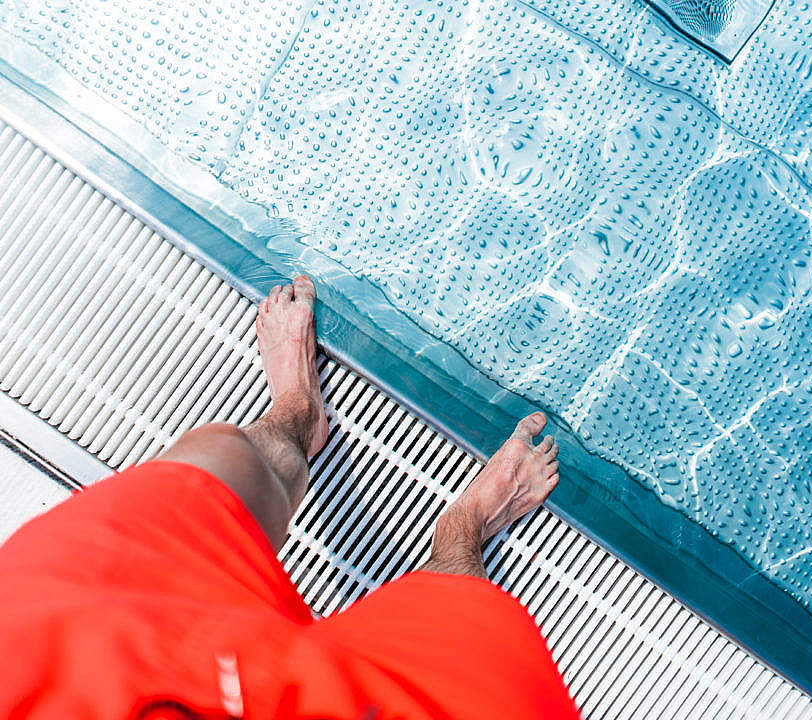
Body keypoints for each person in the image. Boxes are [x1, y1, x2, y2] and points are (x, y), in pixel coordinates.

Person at [0, 276, 579, 720]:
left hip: (65, 661)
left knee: (221, 462)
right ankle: (469, 524)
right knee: (464, 627)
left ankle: (297, 416)